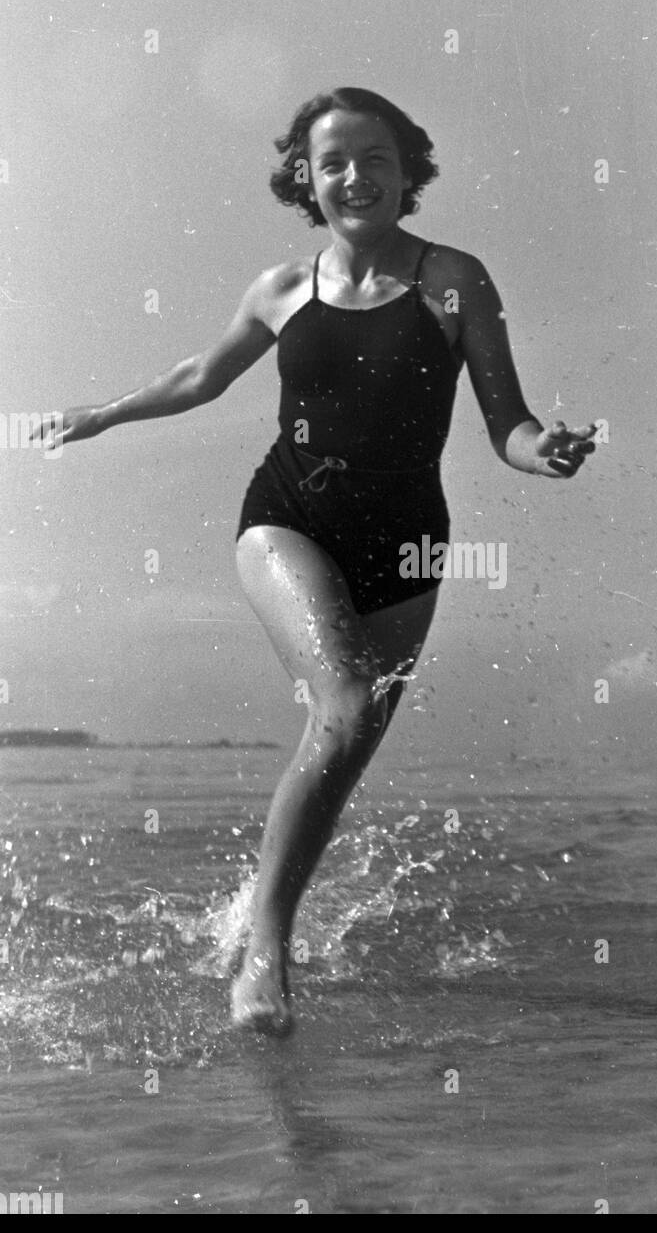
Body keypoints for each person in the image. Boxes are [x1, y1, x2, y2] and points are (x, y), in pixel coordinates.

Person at [34, 86, 598, 1035]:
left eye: (375, 158)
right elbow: (200, 376)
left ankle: (257, 914)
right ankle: (266, 952)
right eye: (332, 160)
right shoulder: (281, 288)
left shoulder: (452, 281)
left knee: (342, 747)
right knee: (340, 708)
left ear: (406, 170)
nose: (354, 176)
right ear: (304, 176)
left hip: (407, 545)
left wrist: (542, 451)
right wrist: (103, 412)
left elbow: (507, 420)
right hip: (286, 517)